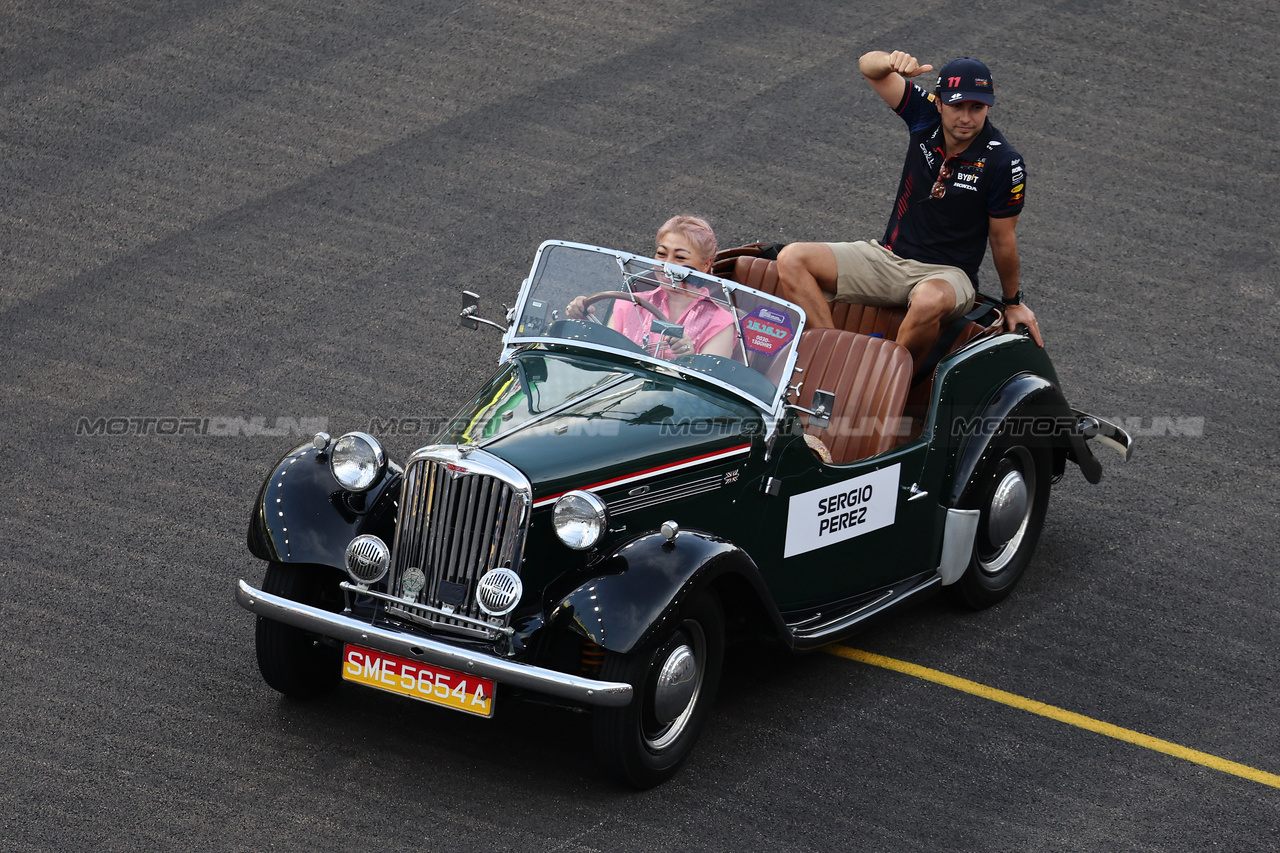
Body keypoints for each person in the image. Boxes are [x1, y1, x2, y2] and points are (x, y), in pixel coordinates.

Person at [777, 51, 1041, 371]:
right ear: (940, 103)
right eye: (957, 105)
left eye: (977, 107)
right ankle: (837, 366)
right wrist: (890, 61)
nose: (966, 118)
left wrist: (1013, 303)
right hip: (888, 258)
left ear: (989, 106)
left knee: (928, 299)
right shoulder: (925, 114)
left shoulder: (1004, 162)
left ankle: (882, 383)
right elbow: (868, 67)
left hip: (947, 276)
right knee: (792, 259)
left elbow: (1003, 240)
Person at [568, 215, 737, 359]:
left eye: (680, 257)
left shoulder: (720, 322)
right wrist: (583, 320)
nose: (667, 265)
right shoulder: (629, 303)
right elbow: (604, 358)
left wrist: (689, 358)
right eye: (662, 254)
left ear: (705, 265)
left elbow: (708, 388)